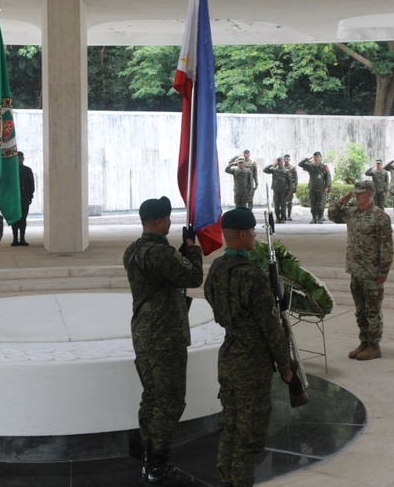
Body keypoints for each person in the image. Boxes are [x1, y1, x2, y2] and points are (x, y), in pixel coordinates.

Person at [203, 208, 293, 487]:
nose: (255, 235)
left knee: (229, 424)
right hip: (252, 363)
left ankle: (226, 478)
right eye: (253, 231)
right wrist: (285, 366)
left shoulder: (217, 268)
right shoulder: (252, 275)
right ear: (242, 234)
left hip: (229, 353)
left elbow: (211, 299)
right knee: (249, 435)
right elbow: (271, 328)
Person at [123, 196, 203, 486]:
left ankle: (145, 452)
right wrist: (193, 251)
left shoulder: (133, 250)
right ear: (159, 222)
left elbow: (165, 276)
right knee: (170, 401)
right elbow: (193, 277)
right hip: (165, 335)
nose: (170, 221)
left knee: (152, 395)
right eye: (168, 217)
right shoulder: (161, 254)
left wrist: (179, 253)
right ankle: (157, 463)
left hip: (144, 331)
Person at [327, 180, 393, 361]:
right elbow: (332, 215)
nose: (357, 197)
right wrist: (343, 200)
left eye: (360, 194)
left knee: (372, 310)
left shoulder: (380, 217)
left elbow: (386, 247)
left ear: (370, 193)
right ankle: (364, 341)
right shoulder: (352, 213)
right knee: (360, 310)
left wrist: (383, 272)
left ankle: (374, 345)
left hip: (372, 272)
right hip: (356, 270)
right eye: (355, 193)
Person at [299, 152, 332, 224]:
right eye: (315, 157)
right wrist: (307, 159)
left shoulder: (324, 167)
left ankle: (320, 218)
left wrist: (327, 187)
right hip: (312, 188)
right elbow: (300, 164)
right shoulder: (310, 166)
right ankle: (314, 218)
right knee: (313, 204)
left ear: (321, 158)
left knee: (321, 204)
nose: (316, 158)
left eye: (317, 157)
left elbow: (328, 178)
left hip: (321, 188)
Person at [11, 151, 35, 246]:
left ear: (23, 159)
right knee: (15, 219)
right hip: (13, 199)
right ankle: (14, 239)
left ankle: (22, 239)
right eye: (17, 158)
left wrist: (30, 196)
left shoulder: (27, 170)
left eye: (20, 158)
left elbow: (31, 184)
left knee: (23, 219)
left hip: (24, 198)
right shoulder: (11, 170)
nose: (19, 160)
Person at [263, 157, 290, 222]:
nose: (279, 163)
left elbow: (289, 181)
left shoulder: (286, 170)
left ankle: (283, 218)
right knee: (276, 205)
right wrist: (273, 164)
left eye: (280, 162)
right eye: (278, 162)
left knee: (283, 205)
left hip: (283, 190)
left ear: (283, 162)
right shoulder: (274, 170)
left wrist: (289, 190)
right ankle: (277, 218)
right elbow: (265, 170)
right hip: (276, 189)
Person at [283, 154, 298, 221]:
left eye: (287, 159)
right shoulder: (281, 167)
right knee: (282, 202)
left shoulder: (292, 168)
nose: (286, 160)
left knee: (289, 202)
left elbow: (295, 178)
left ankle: (289, 215)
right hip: (282, 187)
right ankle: (284, 215)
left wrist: (295, 187)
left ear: (289, 159)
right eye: (285, 159)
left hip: (290, 188)